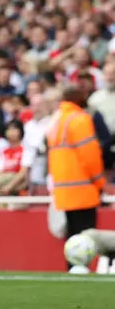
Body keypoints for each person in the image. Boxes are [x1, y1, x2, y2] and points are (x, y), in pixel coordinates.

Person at [47, 85, 105, 270]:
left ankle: (73, 271)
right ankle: (81, 271)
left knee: (72, 239)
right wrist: (100, 182)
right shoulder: (80, 119)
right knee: (85, 239)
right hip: (83, 190)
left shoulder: (58, 120)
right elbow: (90, 156)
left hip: (64, 191)